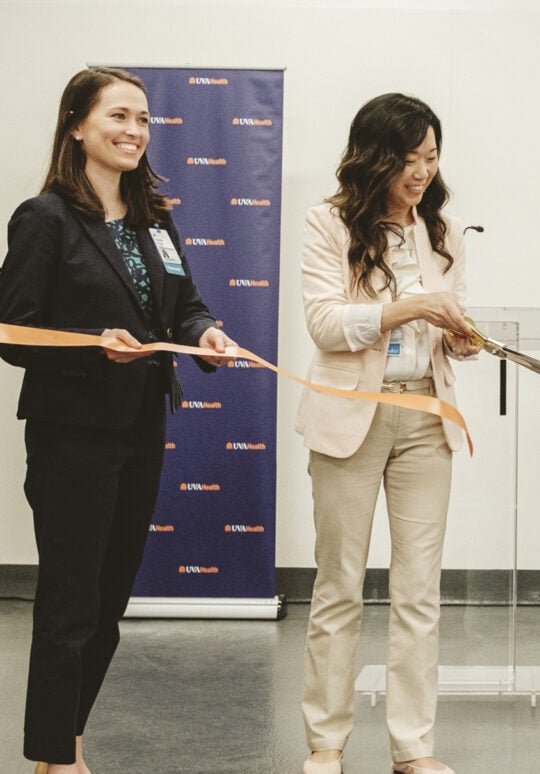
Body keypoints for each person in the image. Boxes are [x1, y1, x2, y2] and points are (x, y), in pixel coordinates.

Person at [0, 67, 234, 773]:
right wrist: (93, 350)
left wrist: (207, 334)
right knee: (70, 602)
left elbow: (184, 303)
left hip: (139, 428)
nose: (134, 130)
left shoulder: (153, 217)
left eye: (142, 119)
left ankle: (66, 743)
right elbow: (13, 332)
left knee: (107, 602)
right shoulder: (44, 218)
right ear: (77, 125)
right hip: (72, 433)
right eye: (118, 117)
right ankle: (54, 753)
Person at [295, 93, 479, 774]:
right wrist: (409, 308)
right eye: (410, 159)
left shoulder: (445, 233)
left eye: (432, 157)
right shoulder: (330, 223)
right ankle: (327, 742)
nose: (423, 171)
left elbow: (444, 327)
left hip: (426, 417)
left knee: (418, 591)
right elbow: (326, 324)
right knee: (339, 584)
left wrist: (460, 339)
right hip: (350, 416)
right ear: (376, 158)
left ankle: (412, 748)